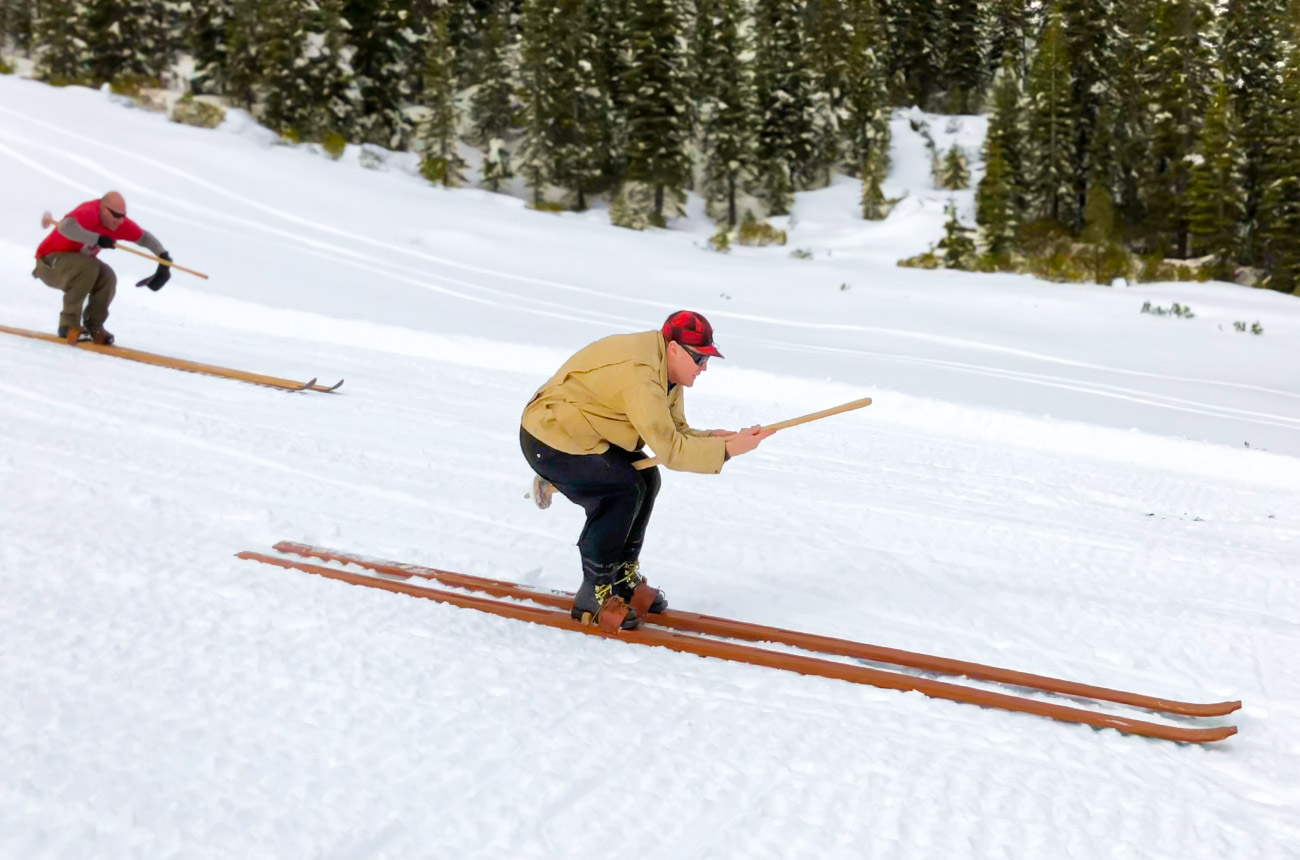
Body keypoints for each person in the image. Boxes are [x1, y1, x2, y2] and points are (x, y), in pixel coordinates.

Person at [520, 310, 773, 629]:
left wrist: (717, 439)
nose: (704, 367)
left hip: (588, 431)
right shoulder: (643, 376)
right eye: (699, 358)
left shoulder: (666, 368)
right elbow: (671, 452)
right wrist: (727, 452)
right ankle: (595, 592)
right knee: (621, 489)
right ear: (675, 349)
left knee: (646, 478)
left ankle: (622, 577)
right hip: (550, 436)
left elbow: (674, 431)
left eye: (707, 358)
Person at [33, 191, 172, 345]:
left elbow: (144, 237)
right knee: (89, 267)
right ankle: (68, 325)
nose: (120, 221)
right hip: (49, 263)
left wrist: (162, 256)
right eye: (116, 216)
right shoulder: (89, 213)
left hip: (78, 267)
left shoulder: (117, 223)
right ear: (104, 210)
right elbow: (66, 227)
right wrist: (97, 239)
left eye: (123, 216)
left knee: (108, 276)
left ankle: (94, 326)